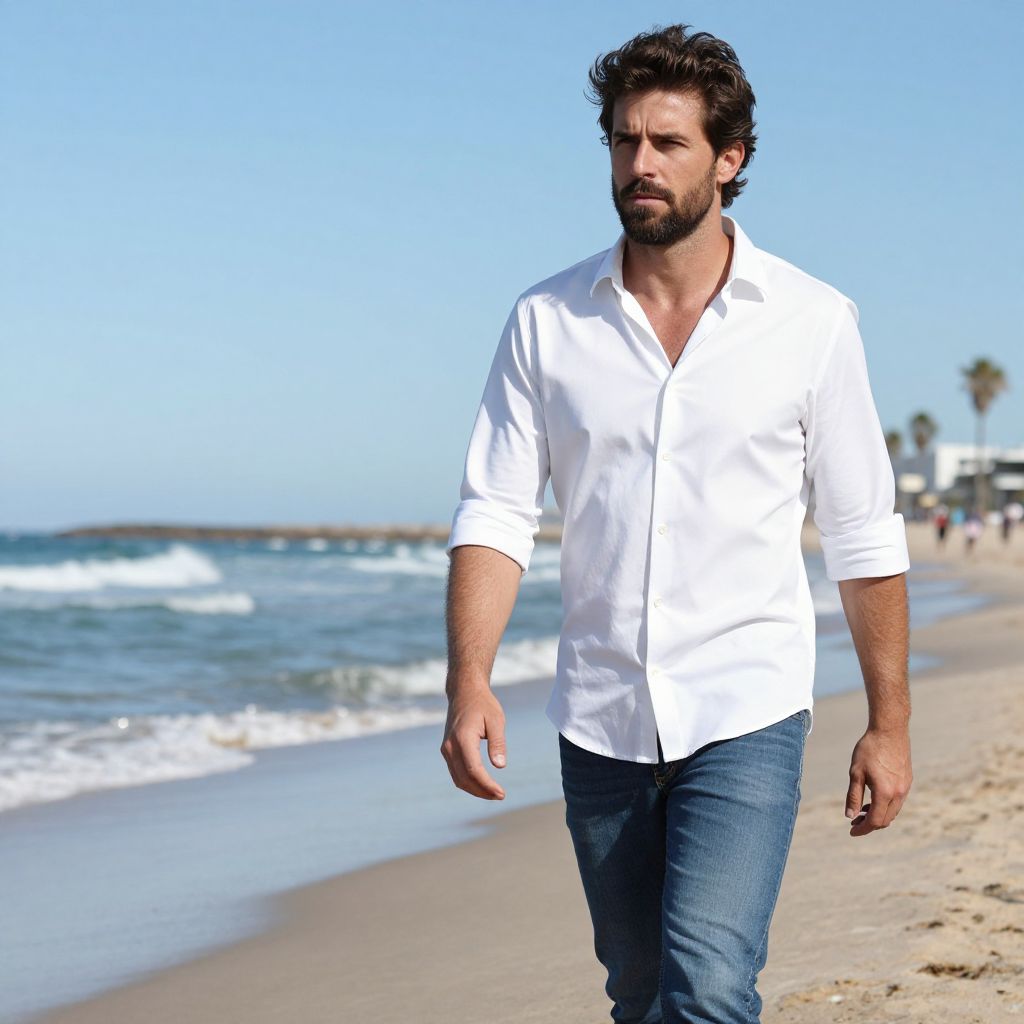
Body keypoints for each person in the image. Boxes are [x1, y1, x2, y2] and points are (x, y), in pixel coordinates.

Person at [441, 23, 912, 1024]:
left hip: (745, 706)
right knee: (641, 988)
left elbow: (863, 533)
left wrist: (889, 723)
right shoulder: (545, 320)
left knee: (707, 985)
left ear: (728, 158)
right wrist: (468, 677)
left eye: (667, 143)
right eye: (623, 141)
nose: (638, 164)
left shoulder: (812, 321)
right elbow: (496, 511)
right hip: (599, 712)